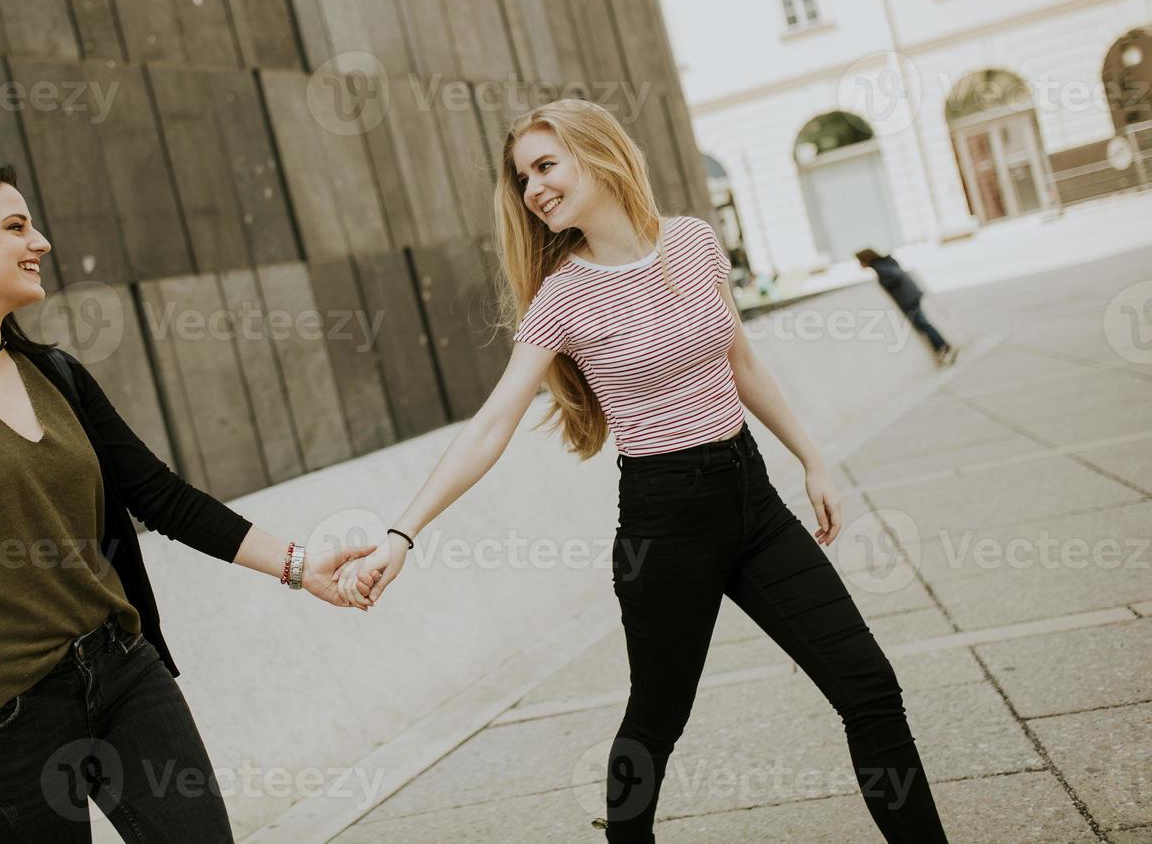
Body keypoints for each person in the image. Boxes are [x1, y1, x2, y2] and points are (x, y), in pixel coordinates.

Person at [335, 101, 951, 843]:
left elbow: (741, 360)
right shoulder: (563, 294)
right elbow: (493, 421)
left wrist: (812, 460)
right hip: (664, 528)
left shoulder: (692, 241)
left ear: (598, 154)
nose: (532, 189)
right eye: (522, 177)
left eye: (544, 165)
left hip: (753, 500)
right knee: (656, 722)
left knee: (871, 689)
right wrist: (402, 533)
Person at [0, 157, 375, 844]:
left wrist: (301, 566)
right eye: (16, 226)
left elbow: (160, 495)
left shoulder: (56, 374)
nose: (42, 243)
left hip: (121, 671)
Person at [856, 248, 957, 366]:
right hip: (912, 295)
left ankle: (943, 347)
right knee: (924, 324)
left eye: (859, 261)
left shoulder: (880, 267)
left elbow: (896, 276)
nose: (860, 264)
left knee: (924, 325)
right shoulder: (886, 262)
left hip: (908, 299)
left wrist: (886, 283)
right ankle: (942, 347)